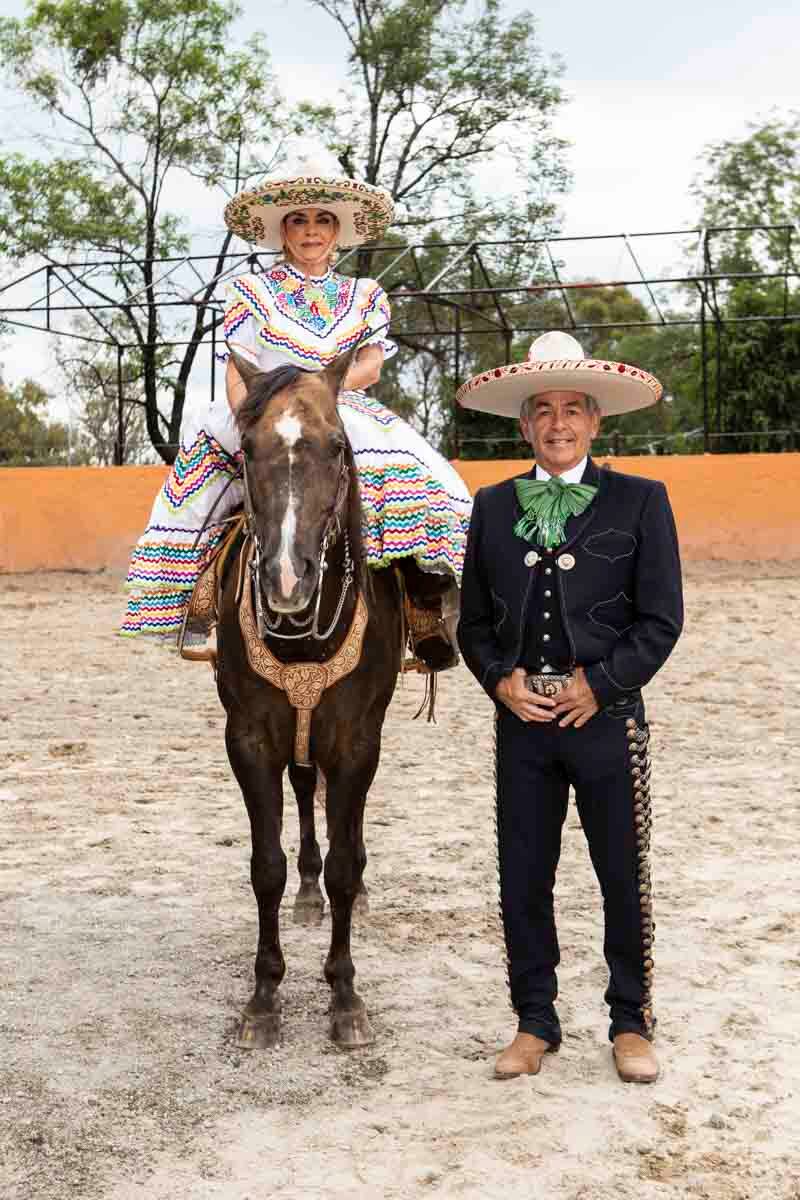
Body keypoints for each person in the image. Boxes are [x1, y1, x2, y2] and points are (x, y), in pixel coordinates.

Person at [122, 151, 471, 663]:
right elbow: (237, 369)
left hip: (340, 404)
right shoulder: (249, 290)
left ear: (338, 230)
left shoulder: (365, 294)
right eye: (299, 220)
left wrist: (317, 394)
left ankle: (422, 604)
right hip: (267, 407)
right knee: (204, 484)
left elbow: (370, 366)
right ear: (282, 230)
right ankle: (197, 597)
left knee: (422, 478)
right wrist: (251, 420)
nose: (311, 230)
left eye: (323, 220)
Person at [456, 331, 683, 1084]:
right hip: (522, 723)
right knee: (524, 873)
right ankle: (534, 1021)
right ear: (524, 426)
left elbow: (661, 620)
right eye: (543, 411)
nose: (558, 424)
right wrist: (499, 680)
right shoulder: (490, 507)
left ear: (596, 420)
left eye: (572, 410)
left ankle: (630, 1021)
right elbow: (474, 623)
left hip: (608, 721)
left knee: (622, 871)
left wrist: (602, 683)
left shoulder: (641, 501)